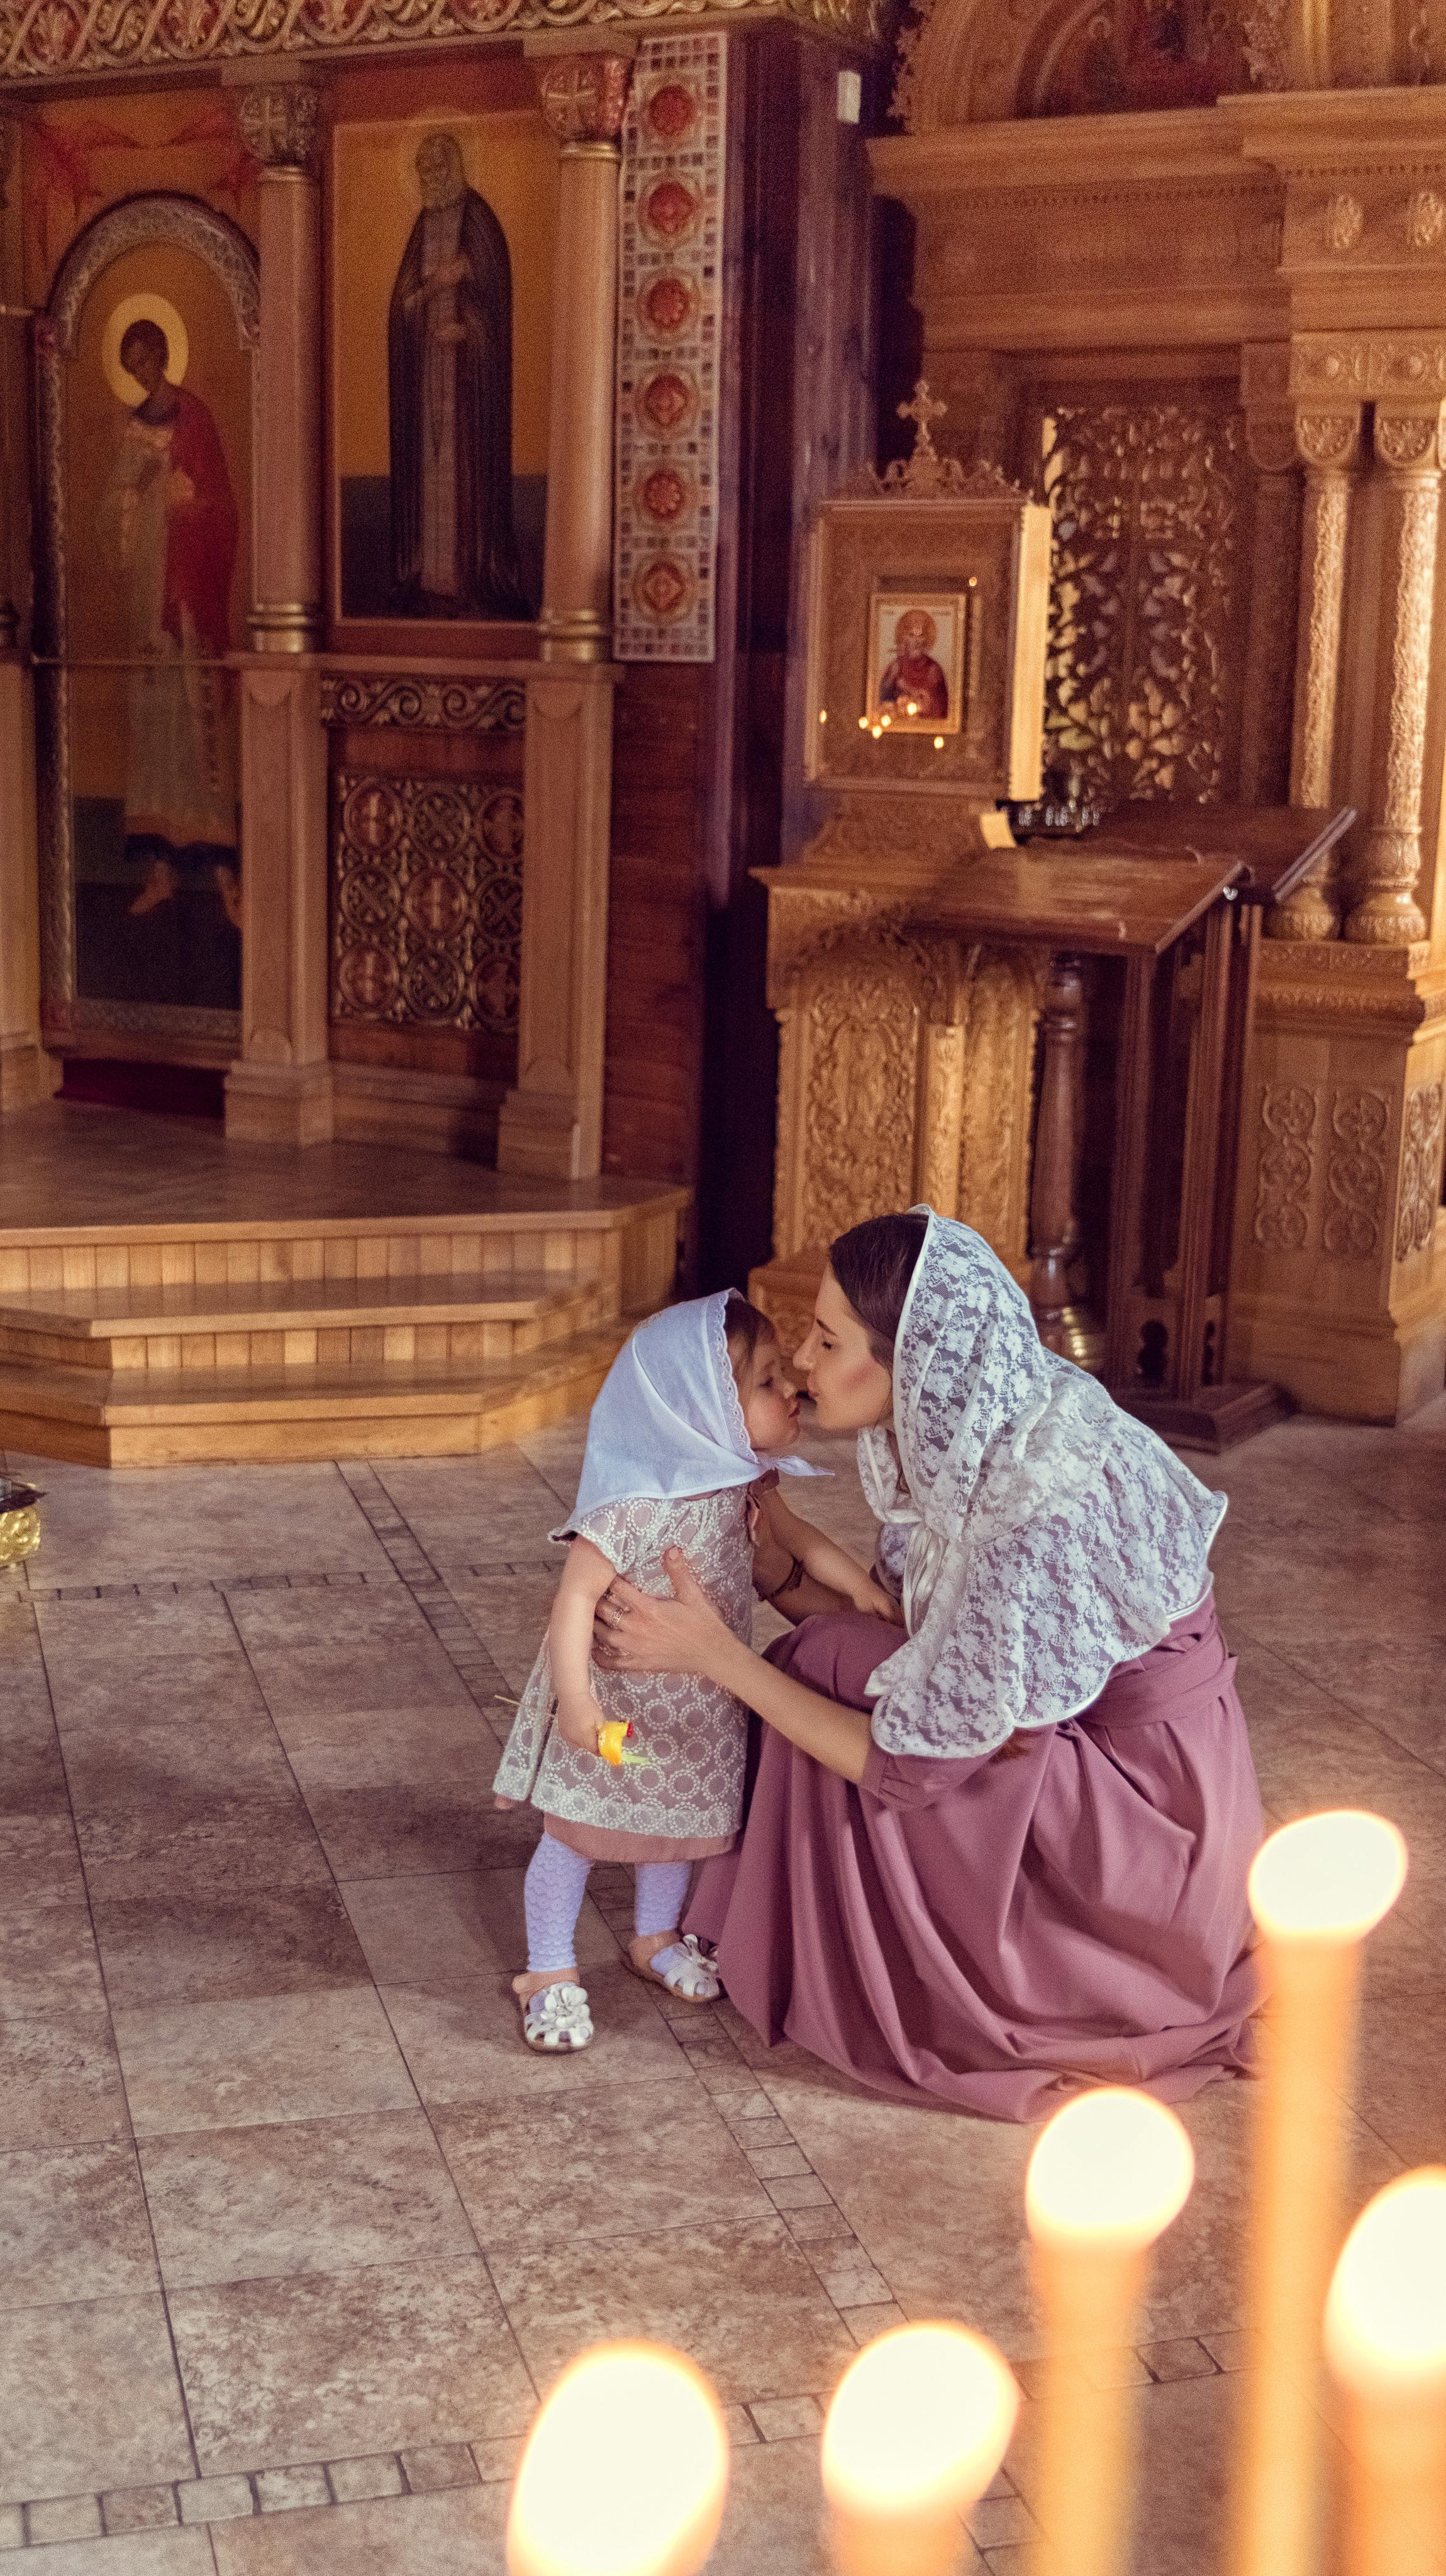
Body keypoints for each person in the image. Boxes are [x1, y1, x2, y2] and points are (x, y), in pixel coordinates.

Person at [592, 1209, 1263, 2122]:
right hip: (1137, 1767)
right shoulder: (982, 1412)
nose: (799, 1366)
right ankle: (789, 1919)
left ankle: (923, 1969)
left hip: (1144, 1832)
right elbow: (914, 1633)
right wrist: (768, 1558)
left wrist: (712, 1654)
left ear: (909, 1359)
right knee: (823, 1653)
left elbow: (908, 1766)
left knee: (814, 1669)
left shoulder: (1029, 1507)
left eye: (828, 1342)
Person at [492, 1292, 897, 2055]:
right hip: (624, 1701)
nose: (794, 1391)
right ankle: (547, 1968)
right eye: (768, 1381)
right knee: (578, 1832)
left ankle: (654, 1937)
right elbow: (573, 1598)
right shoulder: (635, 1505)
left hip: (703, 1700)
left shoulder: (744, 1483)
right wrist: (577, 1701)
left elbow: (801, 1540)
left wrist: (859, 1588)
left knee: (683, 1828)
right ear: (700, 1405)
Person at [102, 318, 241, 930]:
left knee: (196, 721)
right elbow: (110, 515)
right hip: (145, 599)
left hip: (186, 595)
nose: (140, 368)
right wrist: (128, 495)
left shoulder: (194, 418)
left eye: (146, 356)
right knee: (154, 731)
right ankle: (160, 874)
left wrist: (185, 500)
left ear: (162, 353)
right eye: (130, 362)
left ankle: (226, 879)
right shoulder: (132, 427)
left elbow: (221, 507)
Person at [387, 130, 530, 620]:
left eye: (437, 165)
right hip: (427, 376)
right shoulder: (422, 228)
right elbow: (402, 304)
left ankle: (472, 576)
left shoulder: (480, 220)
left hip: (469, 386)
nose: (430, 176)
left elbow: (497, 296)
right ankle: (428, 578)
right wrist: (425, 298)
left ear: (456, 166)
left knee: (464, 475)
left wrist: (468, 329)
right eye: (422, 169)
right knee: (429, 475)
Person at [877, 609, 950, 723]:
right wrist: (891, 681)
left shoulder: (933, 670)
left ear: (926, 641)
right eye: (911, 635)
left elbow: (939, 708)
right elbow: (882, 699)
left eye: (920, 636)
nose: (916, 641)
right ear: (904, 639)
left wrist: (908, 689)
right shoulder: (896, 666)